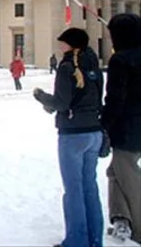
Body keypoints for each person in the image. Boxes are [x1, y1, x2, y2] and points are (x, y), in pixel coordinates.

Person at [33, 28, 104, 247]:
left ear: (71, 45)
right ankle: (94, 239)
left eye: (63, 43)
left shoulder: (66, 67)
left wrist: (42, 97)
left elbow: (62, 103)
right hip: (94, 130)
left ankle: (76, 241)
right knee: (90, 187)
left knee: (73, 189)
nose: (60, 46)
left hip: (73, 133)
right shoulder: (94, 65)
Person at [101, 13, 141, 243]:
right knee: (114, 171)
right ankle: (121, 219)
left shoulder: (121, 60)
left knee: (128, 176)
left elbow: (116, 98)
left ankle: (137, 227)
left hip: (129, 128)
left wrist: (105, 124)